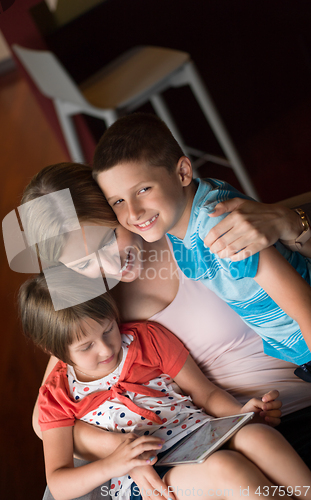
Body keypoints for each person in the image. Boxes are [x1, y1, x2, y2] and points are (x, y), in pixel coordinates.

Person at [20, 163, 311, 476]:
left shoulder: (187, 223)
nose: (111, 265)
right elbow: (44, 420)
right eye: (82, 262)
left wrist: (292, 222)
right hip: (235, 433)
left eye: (107, 240)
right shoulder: (91, 305)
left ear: (118, 206)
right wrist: (126, 452)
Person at [19, 270, 311, 500]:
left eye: (108, 329)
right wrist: (114, 463)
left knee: (257, 436)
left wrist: (239, 413)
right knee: (228, 469)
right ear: (53, 350)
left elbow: (205, 393)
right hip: (151, 476)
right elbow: (59, 483)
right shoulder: (57, 396)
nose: (106, 349)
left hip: (200, 436)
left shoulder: (146, 339)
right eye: (86, 347)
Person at [92, 113, 311, 381]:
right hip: (296, 352)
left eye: (143, 189)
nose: (134, 213)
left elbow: (305, 307)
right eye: (118, 201)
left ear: (183, 173)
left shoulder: (218, 226)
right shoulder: (176, 223)